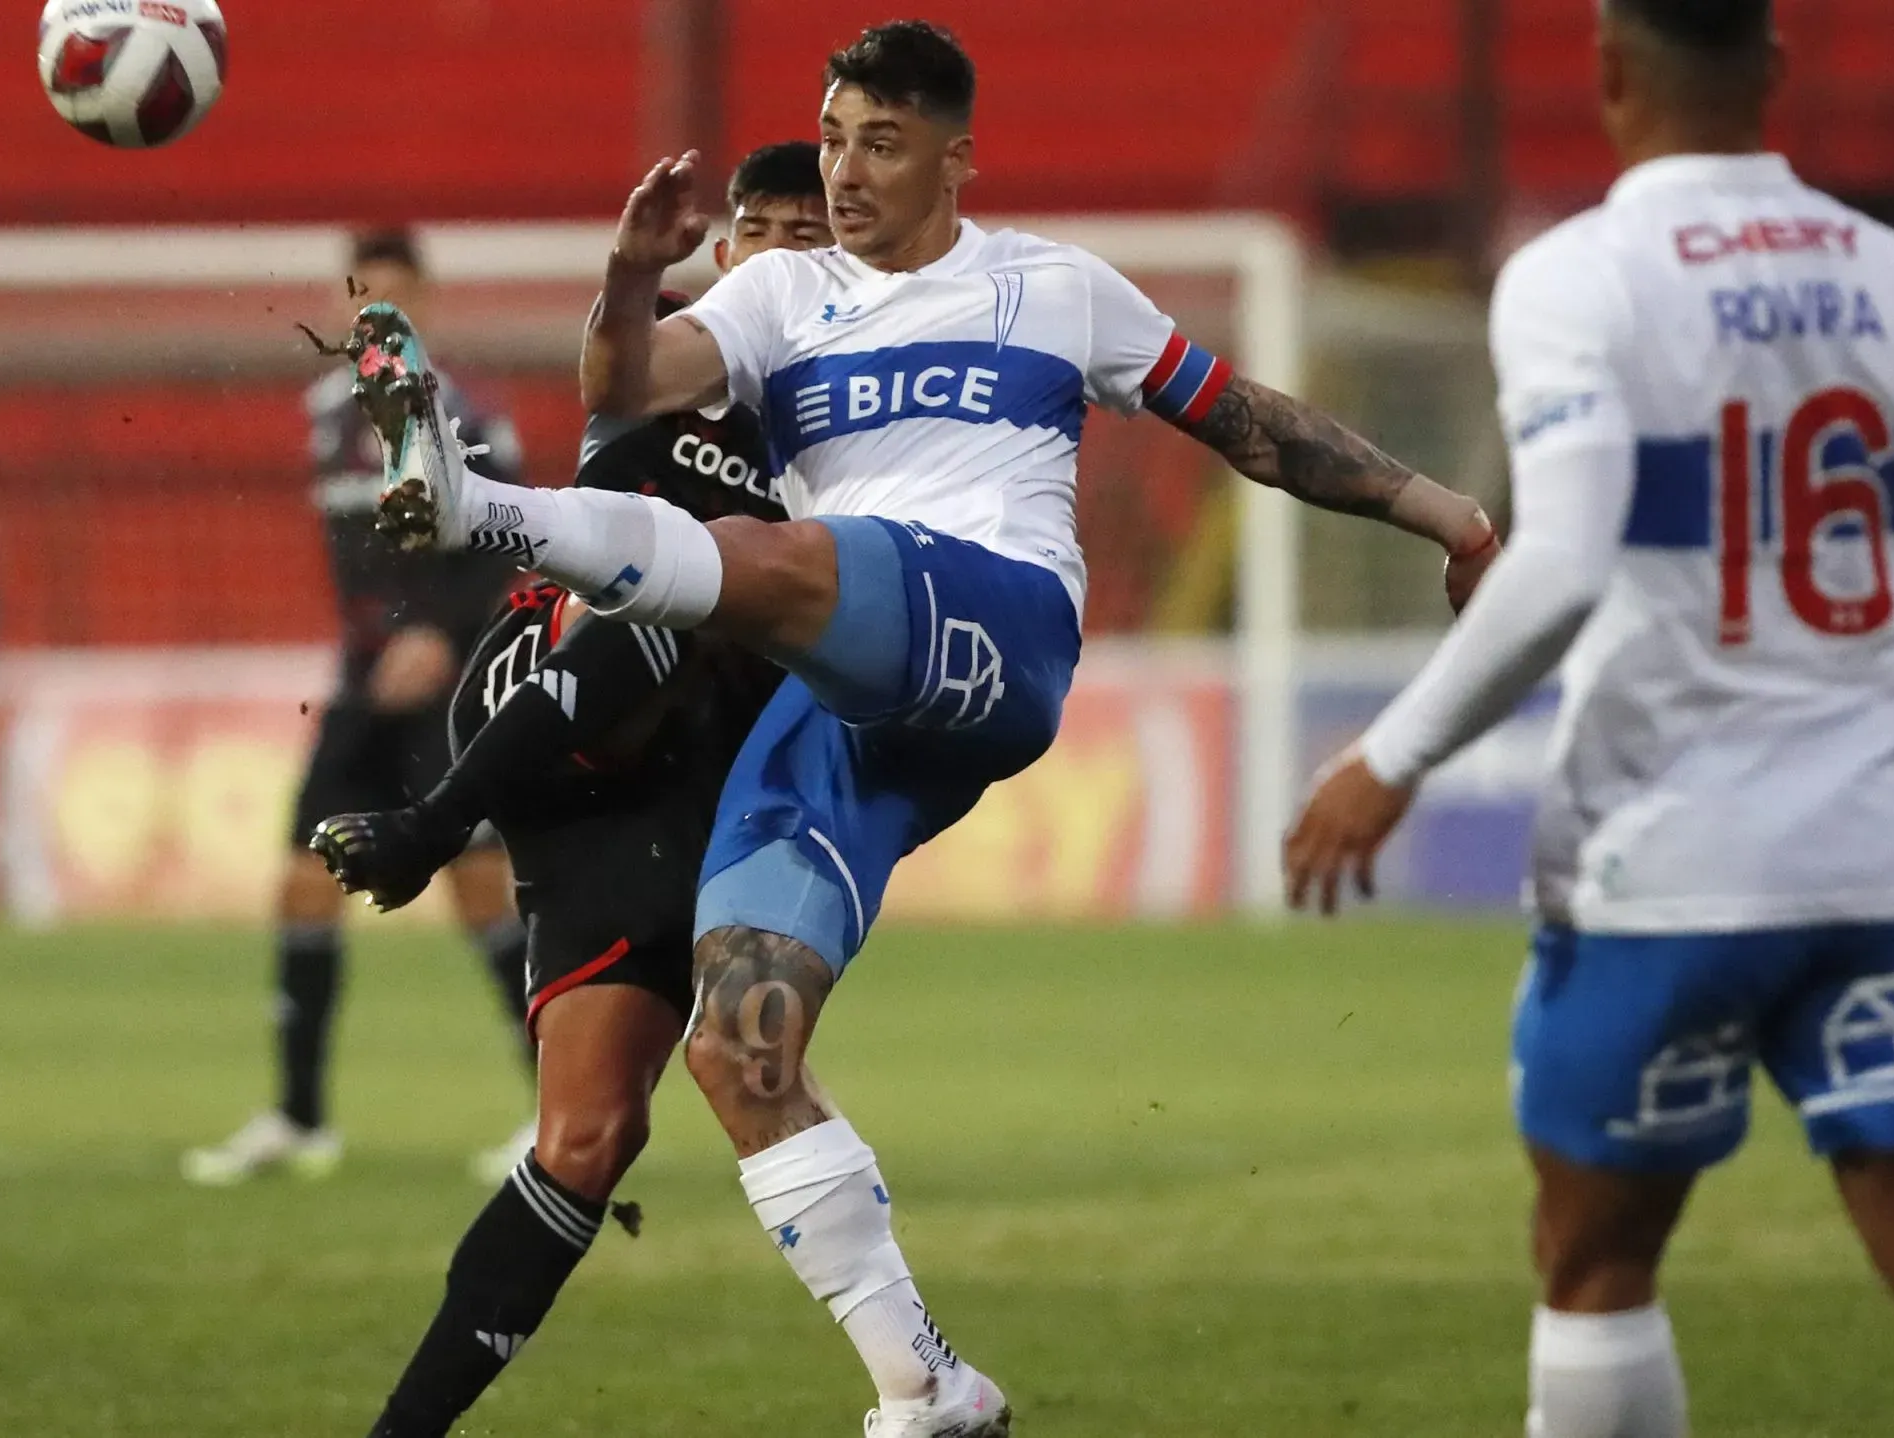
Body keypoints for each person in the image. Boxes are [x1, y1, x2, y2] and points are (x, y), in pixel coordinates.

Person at [351, 22, 1497, 1434]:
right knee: (736, 1039)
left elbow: (1245, 419)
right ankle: (929, 1383)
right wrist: (636, 268)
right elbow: (619, 387)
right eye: (831, 137)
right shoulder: (785, 299)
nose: (843, 170)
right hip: (851, 704)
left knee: (798, 564)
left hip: (994, 628)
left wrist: (1442, 509)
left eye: (880, 143)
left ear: (958, 158)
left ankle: (478, 504)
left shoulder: (1055, 287)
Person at [1283, 2, 1894, 1432]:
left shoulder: (1578, 275)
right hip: (1885, 856)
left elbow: (1564, 555)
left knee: (1596, 1256)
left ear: (1607, 73)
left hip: (1668, 863)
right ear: (1774, 71)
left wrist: (1390, 753)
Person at [314, 141, 830, 1438]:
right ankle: (437, 797)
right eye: (754, 227)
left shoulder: (853, 420)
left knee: (589, 1140)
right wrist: (632, 269)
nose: (773, 247)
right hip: (555, 683)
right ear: (725, 254)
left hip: (678, 794)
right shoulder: (674, 371)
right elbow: (609, 369)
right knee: (669, 590)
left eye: (803, 229)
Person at [182, 230, 534, 1187]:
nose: (376, 311)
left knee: (477, 888)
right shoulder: (325, 413)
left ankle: (560, 1113)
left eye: (395, 295)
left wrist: (443, 635)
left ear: (427, 301)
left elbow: (513, 540)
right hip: (364, 680)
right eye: (362, 296)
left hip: (448, 683)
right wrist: (383, 638)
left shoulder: (466, 411)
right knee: (303, 878)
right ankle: (299, 1118)